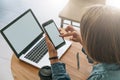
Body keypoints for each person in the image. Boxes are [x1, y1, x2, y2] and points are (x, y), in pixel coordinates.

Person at [45, 5, 120, 80]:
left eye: (84, 34)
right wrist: (82, 41)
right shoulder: (113, 54)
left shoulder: (100, 77)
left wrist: (53, 57)